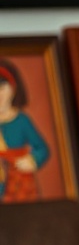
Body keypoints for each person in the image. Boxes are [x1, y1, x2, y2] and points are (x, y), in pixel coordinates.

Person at [0, 59, 49, 203]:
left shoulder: (21, 120)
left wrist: (32, 160)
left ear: (13, 89)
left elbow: (42, 148)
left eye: (2, 87)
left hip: (19, 182)